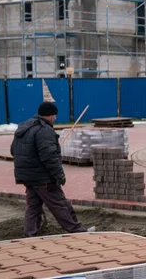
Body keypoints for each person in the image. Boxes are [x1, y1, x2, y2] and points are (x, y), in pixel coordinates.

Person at [10, 101, 89, 237]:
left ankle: (30, 234)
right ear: (50, 115)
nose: (55, 118)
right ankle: (77, 231)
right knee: (59, 204)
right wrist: (59, 175)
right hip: (42, 177)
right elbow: (49, 157)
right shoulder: (44, 130)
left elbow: (13, 150)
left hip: (27, 176)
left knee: (33, 206)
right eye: (55, 115)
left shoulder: (25, 127)